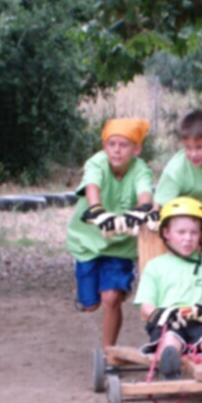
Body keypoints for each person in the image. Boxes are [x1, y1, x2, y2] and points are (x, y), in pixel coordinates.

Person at [67, 118, 154, 348]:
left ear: (136, 149)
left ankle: (109, 353)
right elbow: (92, 186)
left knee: (111, 298)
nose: (117, 150)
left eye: (124, 145)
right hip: (88, 242)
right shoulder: (96, 163)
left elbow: (145, 193)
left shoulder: (141, 169)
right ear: (104, 146)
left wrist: (141, 209)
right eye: (111, 144)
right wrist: (97, 210)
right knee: (91, 304)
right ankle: (85, 294)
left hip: (120, 247)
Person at [135, 197, 202, 380]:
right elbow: (146, 305)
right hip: (169, 322)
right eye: (181, 232)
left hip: (199, 321)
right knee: (170, 339)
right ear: (166, 233)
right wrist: (160, 314)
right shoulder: (154, 266)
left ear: (201, 235)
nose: (188, 238)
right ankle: (169, 363)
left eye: (194, 233)